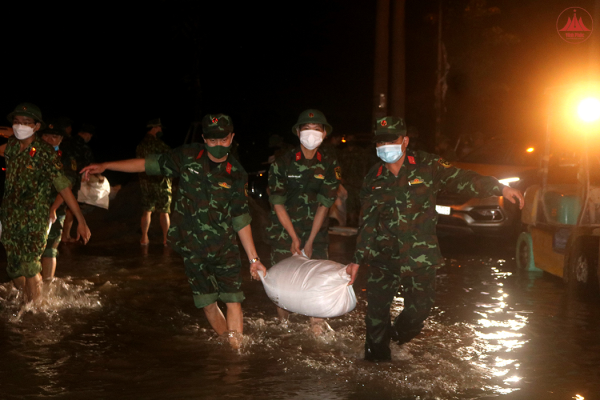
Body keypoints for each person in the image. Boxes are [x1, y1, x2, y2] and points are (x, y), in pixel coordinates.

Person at [346, 116, 525, 362]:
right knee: (375, 315)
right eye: (381, 142)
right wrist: (356, 260)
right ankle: (376, 369)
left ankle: (395, 337)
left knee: (418, 312)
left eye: (392, 140)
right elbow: (366, 222)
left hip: (420, 257)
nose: (386, 146)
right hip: (383, 256)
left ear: (405, 141)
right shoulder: (373, 178)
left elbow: (463, 179)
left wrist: (501, 188)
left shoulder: (428, 165)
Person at [81, 113, 267, 349]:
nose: (218, 145)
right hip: (193, 248)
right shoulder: (188, 156)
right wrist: (107, 165)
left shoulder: (236, 173)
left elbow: (240, 218)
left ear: (231, 138)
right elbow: (147, 164)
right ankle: (230, 347)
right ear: (203, 138)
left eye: (223, 140)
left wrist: (254, 259)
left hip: (225, 248)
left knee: (233, 301)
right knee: (208, 303)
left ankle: (235, 354)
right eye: (212, 141)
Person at [0, 103, 91, 302]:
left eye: (25, 122)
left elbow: (64, 187)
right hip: (10, 216)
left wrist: (80, 220)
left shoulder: (46, 153)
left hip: (35, 217)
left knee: (30, 265)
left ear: (36, 127)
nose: (19, 126)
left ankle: (36, 311)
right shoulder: (12, 146)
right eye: (16, 122)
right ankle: (34, 299)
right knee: (14, 268)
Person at [266, 109, 341, 333]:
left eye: (316, 129)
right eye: (306, 129)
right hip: (283, 233)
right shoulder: (282, 163)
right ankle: (285, 329)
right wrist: (293, 237)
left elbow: (324, 205)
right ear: (297, 132)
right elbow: (277, 202)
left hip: (316, 234)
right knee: (282, 289)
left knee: (317, 287)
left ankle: (317, 338)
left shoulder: (330, 165)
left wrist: (309, 241)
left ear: (324, 133)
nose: (311, 133)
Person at [39, 121, 79, 282]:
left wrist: (53, 208)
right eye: (46, 135)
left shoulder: (66, 159)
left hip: (55, 209)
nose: (49, 139)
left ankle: (47, 285)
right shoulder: (31, 154)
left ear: (61, 139)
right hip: (28, 209)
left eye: (54, 136)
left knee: (50, 248)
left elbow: (66, 186)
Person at [136, 118, 172, 245]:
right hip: (161, 182)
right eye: (159, 128)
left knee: (147, 210)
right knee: (164, 211)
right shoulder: (159, 145)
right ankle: (166, 239)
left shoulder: (140, 146)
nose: (161, 130)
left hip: (146, 182)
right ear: (155, 128)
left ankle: (144, 238)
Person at [62, 123, 96, 242]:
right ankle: (65, 236)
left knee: (57, 205)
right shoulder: (84, 147)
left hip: (59, 177)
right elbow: (90, 164)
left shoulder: (66, 142)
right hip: (73, 178)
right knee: (70, 206)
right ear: (87, 134)